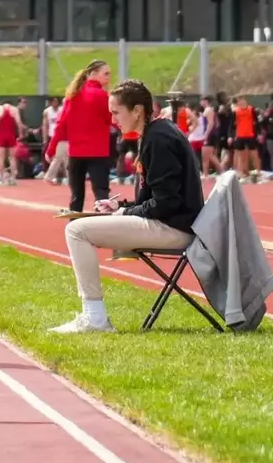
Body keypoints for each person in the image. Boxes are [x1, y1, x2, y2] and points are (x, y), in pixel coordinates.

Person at [50, 80, 203, 334]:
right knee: (79, 227)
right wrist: (121, 206)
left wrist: (125, 212)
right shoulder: (155, 133)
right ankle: (94, 318)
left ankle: (95, 319)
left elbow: (166, 203)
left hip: (174, 229)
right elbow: (156, 200)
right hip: (172, 223)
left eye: (116, 112)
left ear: (137, 111)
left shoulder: (159, 139)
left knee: (76, 231)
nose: (113, 120)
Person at [48, 61, 112, 212]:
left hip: (76, 153)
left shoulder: (72, 96)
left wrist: (51, 149)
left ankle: (73, 226)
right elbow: (113, 119)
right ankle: (102, 226)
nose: (109, 78)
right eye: (106, 74)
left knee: (76, 195)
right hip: (98, 152)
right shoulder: (102, 95)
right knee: (101, 193)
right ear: (94, 74)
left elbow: (61, 123)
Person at [231, 95, 258, 179]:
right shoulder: (235, 111)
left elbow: (256, 122)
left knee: (253, 154)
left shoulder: (251, 109)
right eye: (239, 101)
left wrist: (258, 133)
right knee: (241, 156)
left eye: (243, 100)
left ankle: (258, 172)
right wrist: (232, 136)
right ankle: (242, 173)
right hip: (240, 135)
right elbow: (232, 125)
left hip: (250, 135)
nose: (241, 102)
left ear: (246, 101)